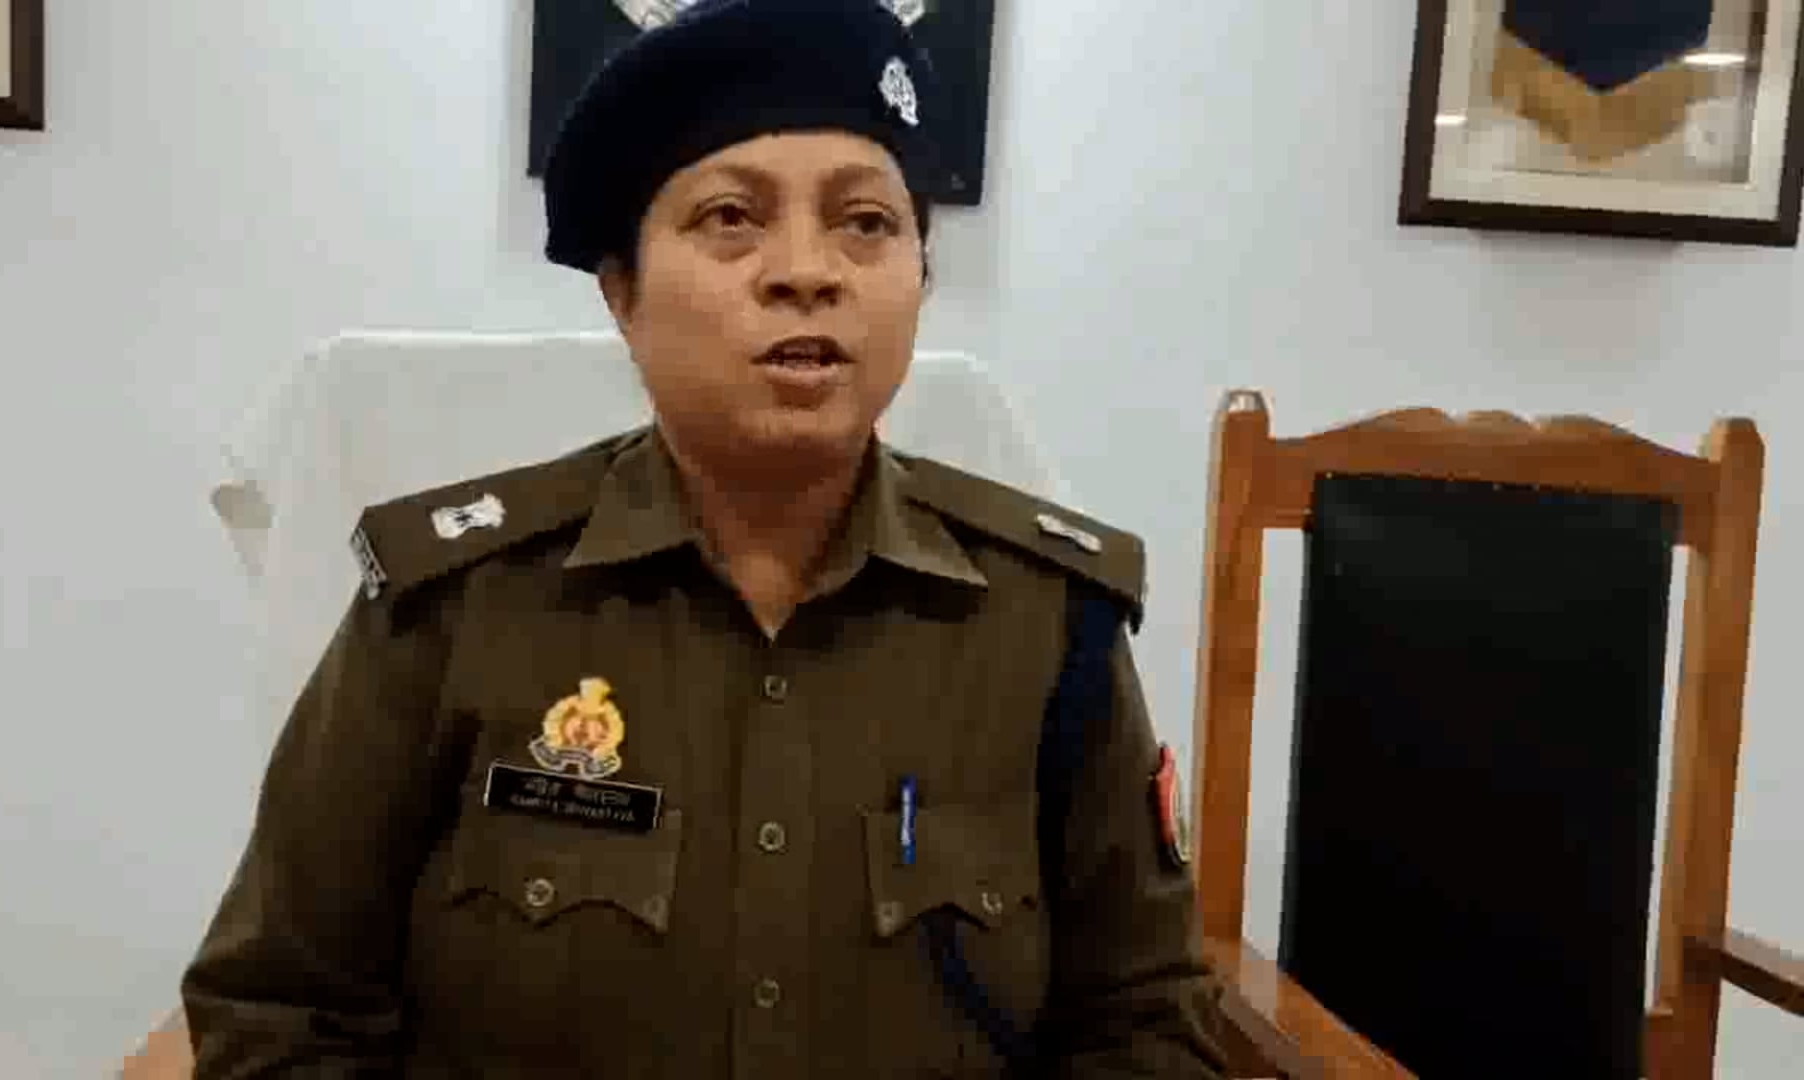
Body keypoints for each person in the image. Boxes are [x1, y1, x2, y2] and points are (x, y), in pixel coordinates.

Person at [179, 1, 1228, 1076]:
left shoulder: (1049, 622)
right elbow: (280, 1013)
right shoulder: (453, 608)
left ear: (919, 280)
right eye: (732, 216)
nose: (807, 271)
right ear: (621, 293)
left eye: (867, 222)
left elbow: (1147, 1022)